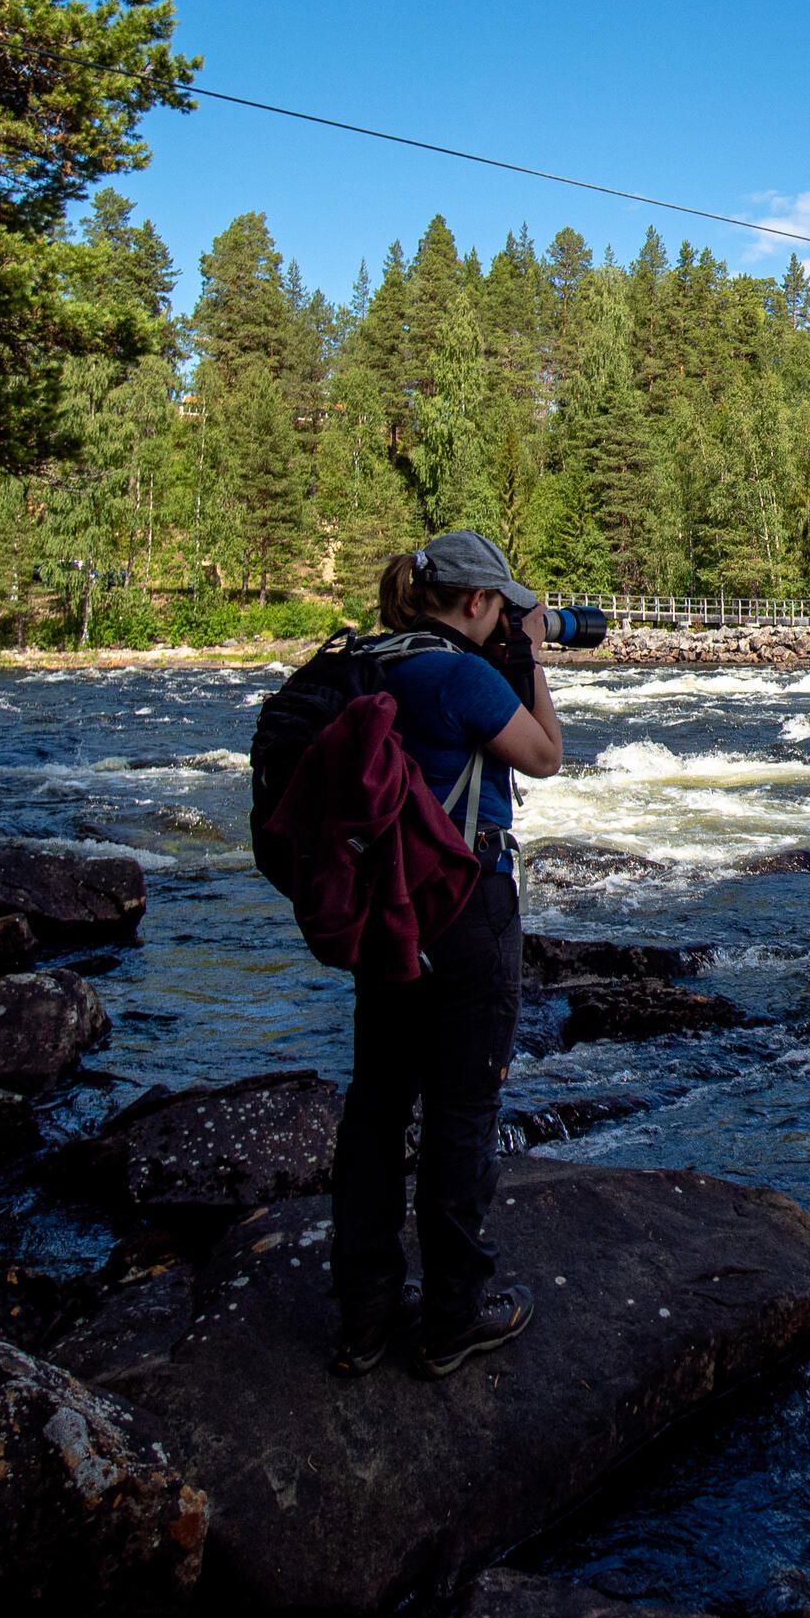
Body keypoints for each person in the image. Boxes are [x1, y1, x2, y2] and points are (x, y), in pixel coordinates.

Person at [329, 527, 565, 1379]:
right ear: (477, 603)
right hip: (466, 908)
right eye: (503, 607)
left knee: (379, 1104)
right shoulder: (458, 672)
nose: (509, 620)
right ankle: (454, 1317)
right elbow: (545, 758)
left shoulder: (368, 662)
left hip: (384, 909)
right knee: (462, 1112)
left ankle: (363, 1316)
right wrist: (532, 660)